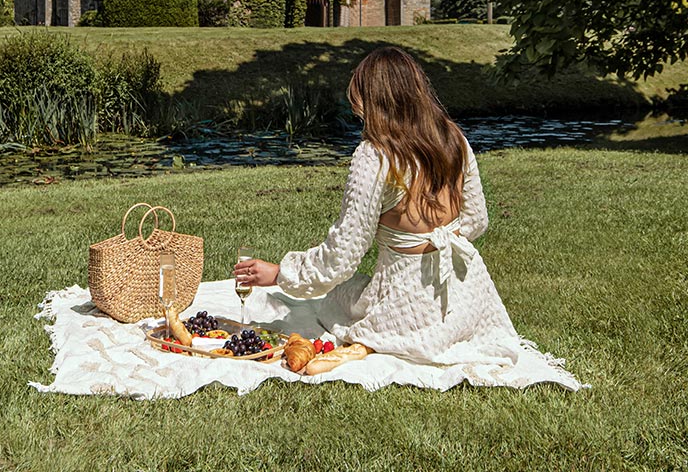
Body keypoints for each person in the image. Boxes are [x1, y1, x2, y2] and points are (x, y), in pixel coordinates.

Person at [234, 46, 581, 387]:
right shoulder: (453, 137)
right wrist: (436, 241)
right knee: (351, 292)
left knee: (335, 299)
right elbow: (476, 221)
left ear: (372, 100)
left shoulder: (376, 154)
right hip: (469, 295)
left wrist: (282, 274)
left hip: (405, 298)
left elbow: (343, 256)